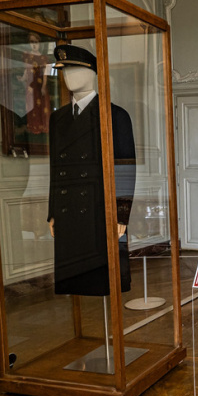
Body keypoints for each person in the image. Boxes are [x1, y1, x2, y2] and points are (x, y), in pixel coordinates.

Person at [48, 44, 136, 296]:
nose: (68, 76)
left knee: (103, 277)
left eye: (74, 69)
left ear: (92, 73)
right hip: (68, 211)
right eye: (64, 71)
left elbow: (125, 169)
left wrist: (122, 214)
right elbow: (56, 170)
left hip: (100, 208)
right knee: (74, 276)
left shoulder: (115, 115)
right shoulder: (58, 118)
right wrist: (53, 212)